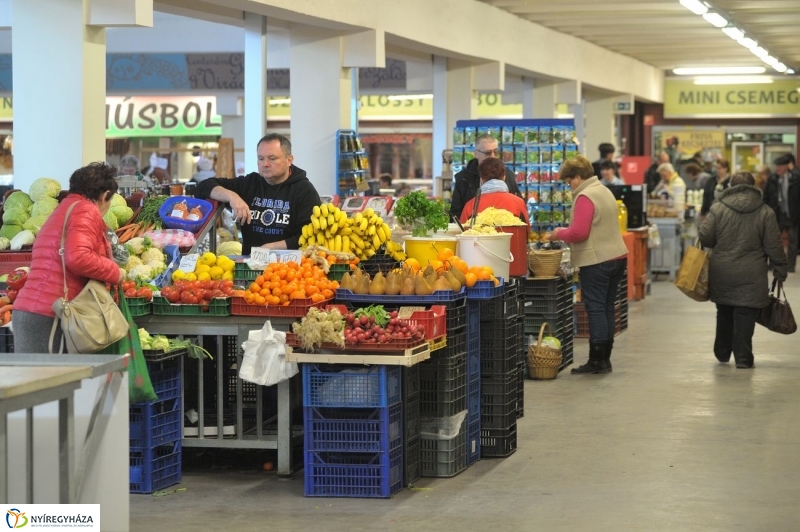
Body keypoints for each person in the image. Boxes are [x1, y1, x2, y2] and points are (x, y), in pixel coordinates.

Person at [13, 162, 126, 354]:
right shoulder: (86, 210)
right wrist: (115, 271)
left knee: (37, 374)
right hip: (51, 314)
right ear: (105, 195)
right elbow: (78, 257)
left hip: (33, 311)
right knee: (53, 374)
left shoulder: (64, 208)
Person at [546, 155, 628, 375]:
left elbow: (578, 233)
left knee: (596, 308)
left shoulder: (585, 196)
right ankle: (605, 358)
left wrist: (558, 233)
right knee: (607, 307)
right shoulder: (604, 190)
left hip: (597, 261)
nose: (569, 186)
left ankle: (597, 360)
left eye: (569, 181)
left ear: (578, 177)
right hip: (617, 257)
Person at [698, 171, 787, 368]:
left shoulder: (718, 208)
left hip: (722, 270)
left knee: (724, 310)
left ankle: (722, 352)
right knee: (746, 314)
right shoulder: (765, 212)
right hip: (752, 273)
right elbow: (774, 245)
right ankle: (743, 358)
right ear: (754, 187)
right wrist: (780, 269)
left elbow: (705, 238)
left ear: (730, 186)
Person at [195, 133, 321, 254]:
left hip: (289, 266)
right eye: (261, 158)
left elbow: (310, 237)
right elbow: (202, 187)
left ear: (289, 160)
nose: (265, 164)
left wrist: (270, 248)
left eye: (272, 158)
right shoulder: (250, 183)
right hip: (250, 264)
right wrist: (232, 196)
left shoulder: (305, 191)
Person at [450, 133, 521, 220]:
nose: (493, 156)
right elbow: (455, 213)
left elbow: (518, 205)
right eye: (487, 153)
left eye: (495, 152)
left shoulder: (508, 174)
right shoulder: (463, 178)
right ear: (476, 154)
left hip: (506, 225)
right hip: (473, 227)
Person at [459, 158, 529, 225]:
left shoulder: (471, 206)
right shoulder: (518, 203)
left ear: (481, 179)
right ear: (504, 177)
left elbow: (463, 230)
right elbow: (526, 230)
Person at [763, 154, 800, 272]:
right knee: (773, 240)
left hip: (792, 214)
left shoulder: (796, 179)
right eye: (776, 166)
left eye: (779, 166)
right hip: (776, 214)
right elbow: (766, 196)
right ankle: (773, 263)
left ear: (786, 167)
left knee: (793, 241)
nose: (777, 168)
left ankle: (790, 266)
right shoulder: (772, 179)